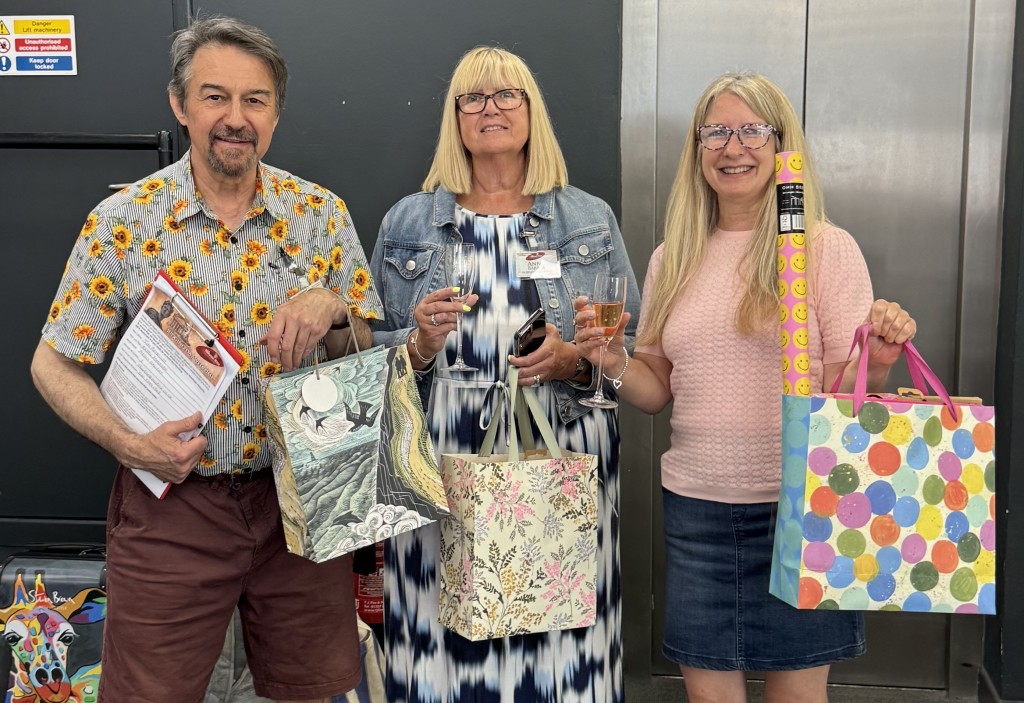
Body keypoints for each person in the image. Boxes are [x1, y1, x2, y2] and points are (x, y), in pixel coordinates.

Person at [30, 16, 382, 703]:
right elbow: (52, 364)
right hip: (171, 510)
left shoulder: (320, 216)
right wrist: (130, 444)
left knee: (312, 690)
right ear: (179, 105)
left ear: (276, 114)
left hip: (301, 500)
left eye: (255, 100)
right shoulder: (127, 220)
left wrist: (335, 309)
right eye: (215, 96)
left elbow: (360, 349)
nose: (235, 117)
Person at [574, 72, 918, 703]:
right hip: (695, 510)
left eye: (753, 130)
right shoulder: (671, 257)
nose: (733, 148)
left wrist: (883, 359)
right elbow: (656, 391)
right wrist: (611, 357)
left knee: (796, 696)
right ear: (698, 150)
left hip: (801, 508)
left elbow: (842, 396)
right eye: (716, 132)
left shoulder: (824, 249)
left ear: (782, 145)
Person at [368, 46, 640, 703]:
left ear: (531, 111)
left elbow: (626, 350)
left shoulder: (588, 220)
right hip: (439, 466)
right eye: (474, 98)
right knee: (442, 639)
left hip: (559, 457)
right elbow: (367, 354)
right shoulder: (407, 223)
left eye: (507, 95)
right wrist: (418, 344)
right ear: (455, 117)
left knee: (559, 637)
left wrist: (576, 359)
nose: (491, 109)